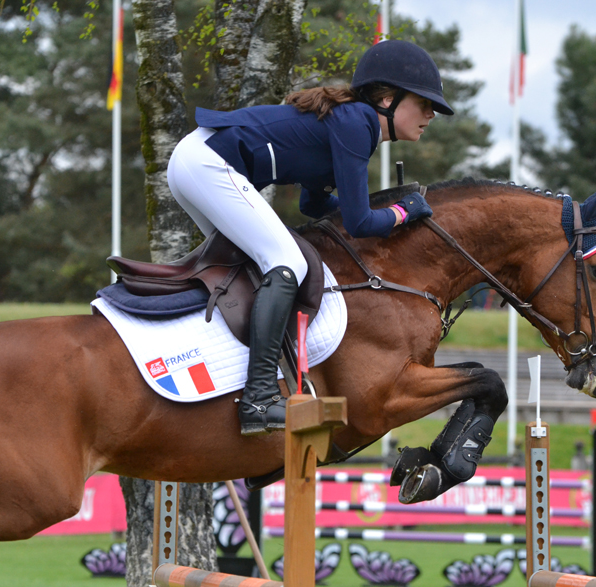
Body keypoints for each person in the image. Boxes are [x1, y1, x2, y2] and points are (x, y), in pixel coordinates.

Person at [166, 40, 454, 436]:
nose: (431, 114)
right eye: (424, 103)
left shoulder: (349, 123)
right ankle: (260, 399)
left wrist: (378, 212)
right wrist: (405, 212)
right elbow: (358, 223)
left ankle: (224, 377)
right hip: (208, 163)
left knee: (246, 269)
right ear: (387, 98)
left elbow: (314, 204)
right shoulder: (358, 124)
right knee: (287, 263)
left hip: (195, 160)